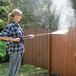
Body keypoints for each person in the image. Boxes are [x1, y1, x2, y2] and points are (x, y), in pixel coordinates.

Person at [0, 9, 34, 76]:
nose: (21, 17)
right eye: (20, 15)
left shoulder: (17, 25)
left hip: (19, 50)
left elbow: (19, 37)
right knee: (12, 69)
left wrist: (28, 37)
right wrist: (14, 40)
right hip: (14, 51)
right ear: (15, 15)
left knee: (15, 69)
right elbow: (1, 36)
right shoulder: (11, 25)